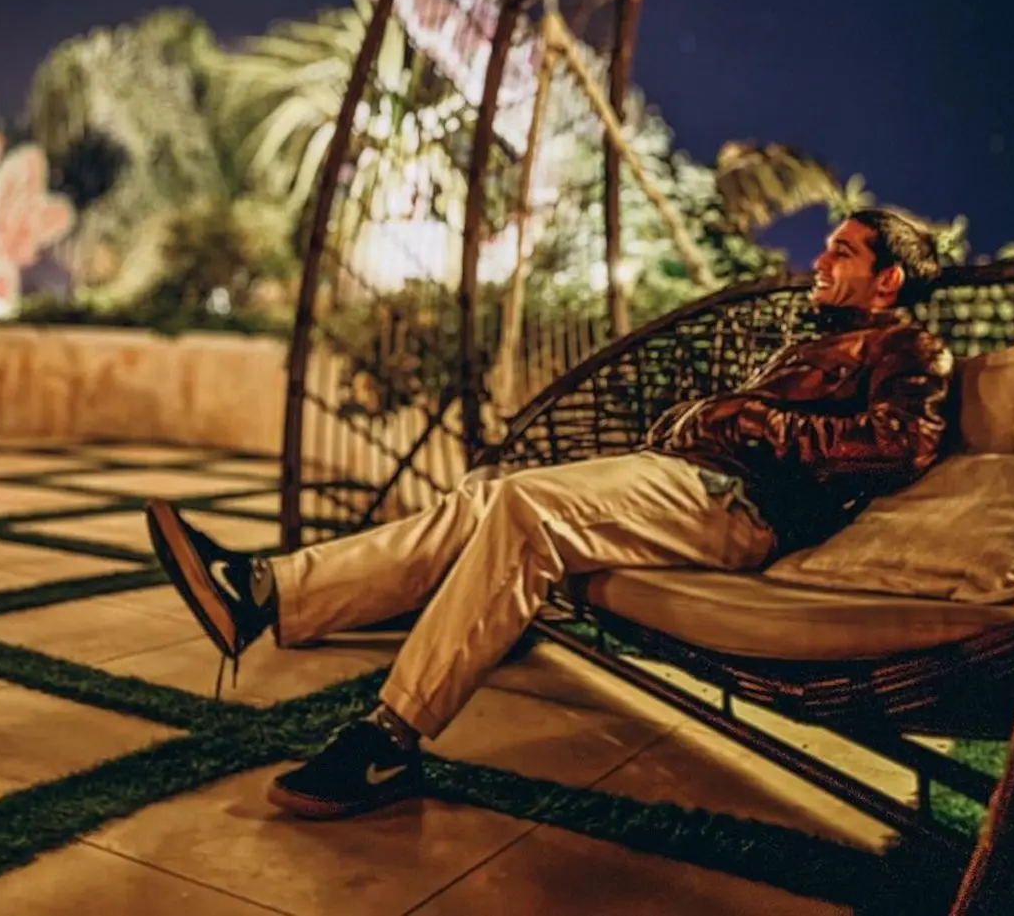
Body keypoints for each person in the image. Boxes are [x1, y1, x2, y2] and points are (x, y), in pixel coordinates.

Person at [145, 209, 952, 820]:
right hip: (688, 479)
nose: (820, 259)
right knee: (488, 494)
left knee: (527, 512)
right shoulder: (816, 339)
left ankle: (389, 739)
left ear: (890, 279)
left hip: (742, 506)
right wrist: (702, 418)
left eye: (843, 251)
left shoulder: (907, 349)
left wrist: (754, 423)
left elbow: (898, 443)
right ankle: (265, 590)